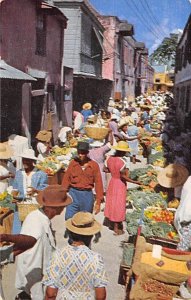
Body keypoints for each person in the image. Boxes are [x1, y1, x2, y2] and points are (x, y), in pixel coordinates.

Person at [0, 184, 72, 300]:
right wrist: (6, 237)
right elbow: (29, 243)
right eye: (62, 206)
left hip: (38, 272)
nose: (63, 208)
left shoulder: (41, 217)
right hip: (34, 274)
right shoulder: (36, 220)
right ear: (54, 208)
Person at [43, 212, 108, 300]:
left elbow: (50, 293)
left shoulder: (58, 255)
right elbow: (101, 295)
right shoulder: (96, 259)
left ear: (70, 233)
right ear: (90, 235)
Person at [104, 141, 141, 235]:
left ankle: (111, 222)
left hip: (112, 182)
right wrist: (135, 182)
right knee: (119, 204)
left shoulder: (110, 159)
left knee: (112, 202)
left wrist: (113, 171)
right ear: (123, 152)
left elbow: (105, 169)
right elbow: (123, 176)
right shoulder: (123, 162)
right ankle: (117, 227)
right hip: (119, 184)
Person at [62, 141, 104, 221]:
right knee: (69, 218)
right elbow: (66, 180)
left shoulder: (94, 165)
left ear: (87, 153)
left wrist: (98, 202)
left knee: (85, 219)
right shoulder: (73, 163)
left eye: (83, 153)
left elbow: (99, 183)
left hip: (87, 195)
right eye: (79, 152)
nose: (80, 155)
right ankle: (70, 233)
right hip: (73, 193)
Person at [174, 175, 191, 251]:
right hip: (187, 220)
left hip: (182, 217)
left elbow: (178, 195)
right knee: (182, 253)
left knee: (181, 252)